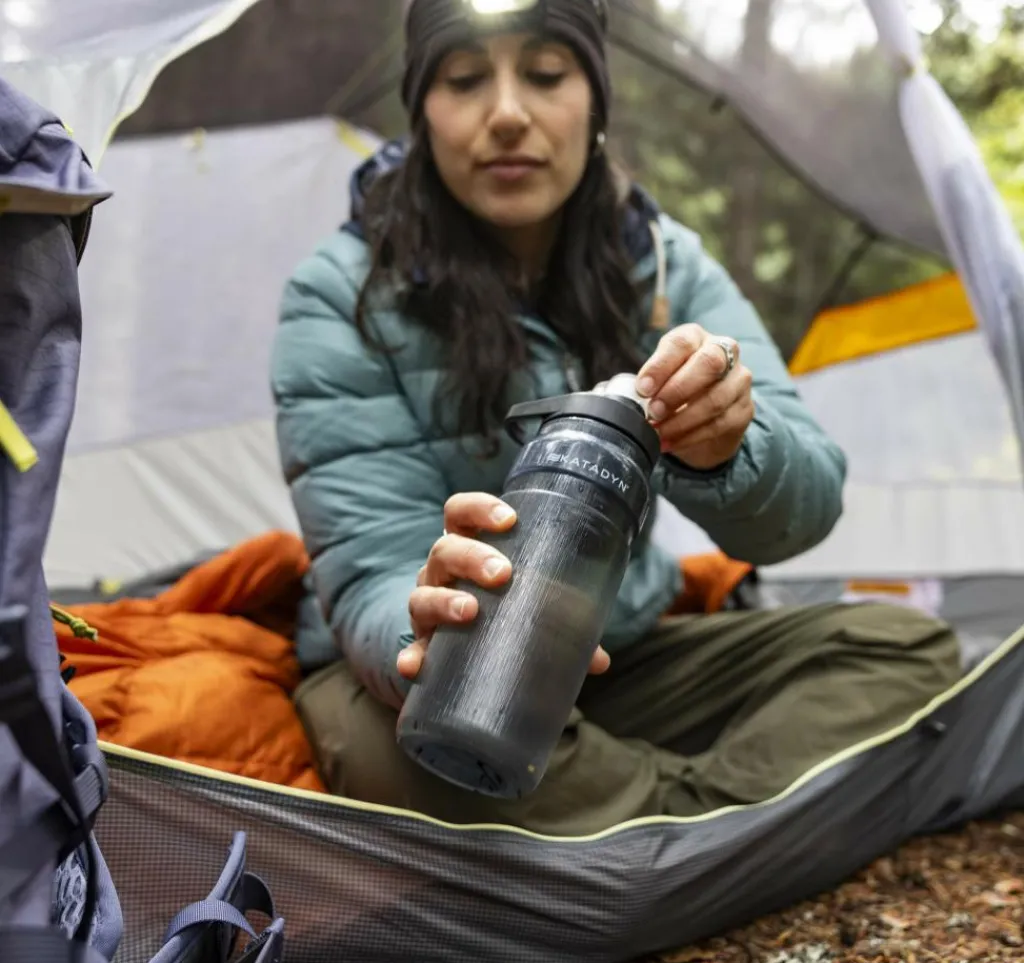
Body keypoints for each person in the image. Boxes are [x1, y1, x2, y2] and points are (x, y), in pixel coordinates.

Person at [271, 0, 961, 836]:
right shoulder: (340, 295)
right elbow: (371, 571)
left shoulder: (661, 267)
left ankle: (638, 836)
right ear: (422, 113)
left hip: (616, 653)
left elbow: (808, 505)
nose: (508, 113)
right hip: (425, 673)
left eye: (546, 74)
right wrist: (425, 619)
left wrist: (730, 450)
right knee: (385, 747)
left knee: (901, 650)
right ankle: (715, 836)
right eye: (464, 80)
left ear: (595, 100)